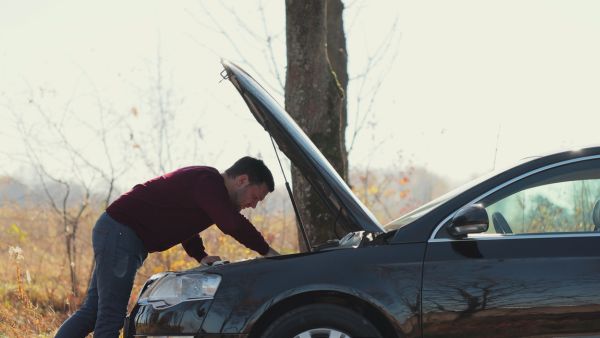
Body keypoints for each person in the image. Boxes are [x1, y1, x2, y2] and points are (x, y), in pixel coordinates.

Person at [55, 156, 280, 338]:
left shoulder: (207, 187)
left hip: (117, 232)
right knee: (111, 315)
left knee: (93, 312)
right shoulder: (208, 181)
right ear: (242, 180)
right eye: (254, 197)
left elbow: (184, 223)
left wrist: (200, 256)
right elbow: (230, 223)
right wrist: (266, 251)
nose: (252, 205)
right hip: (121, 232)